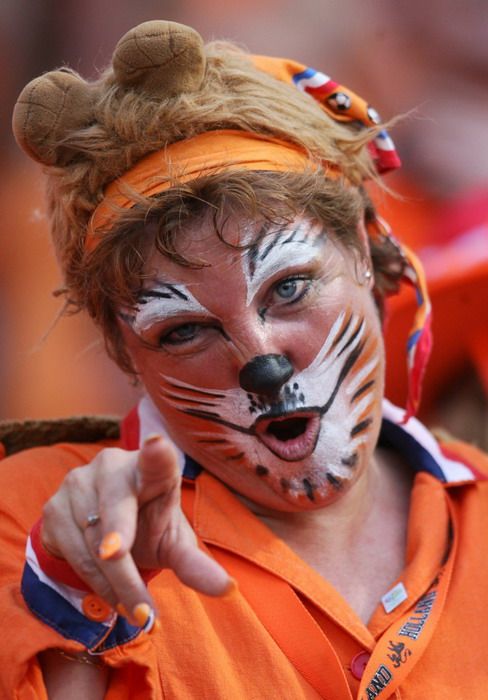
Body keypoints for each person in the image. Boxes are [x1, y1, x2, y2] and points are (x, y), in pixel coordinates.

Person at [2, 19, 488, 700]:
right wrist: (77, 600)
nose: (259, 358)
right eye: (183, 331)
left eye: (289, 288)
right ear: (122, 351)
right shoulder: (26, 519)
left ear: (360, 247)